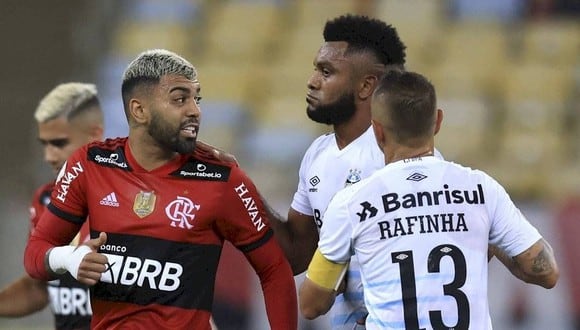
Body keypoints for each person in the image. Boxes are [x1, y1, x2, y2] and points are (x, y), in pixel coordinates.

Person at [23, 49, 297, 330]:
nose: (195, 110)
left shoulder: (221, 178)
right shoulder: (89, 164)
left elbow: (274, 269)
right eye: (180, 99)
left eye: (196, 98)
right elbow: (35, 252)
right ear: (139, 110)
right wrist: (67, 258)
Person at [298, 70, 559, 329]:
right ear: (437, 121)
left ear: (377, 131)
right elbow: (546, 272)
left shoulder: (351, 203)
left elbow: (311, 305)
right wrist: (486, 238)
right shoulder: (481, 189)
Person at [266, 14, 423, 329]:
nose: (312, 81)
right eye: (316, 69)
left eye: (327, 71)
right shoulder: (318, 154)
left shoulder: (401, 156)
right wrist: (238, 185)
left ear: (367, 85)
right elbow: (297, 255)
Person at [0, 82, 103, 330]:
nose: (49, 156)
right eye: (44, 144)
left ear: (94, 135)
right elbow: (39, 286)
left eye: (58, 143)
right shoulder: (45, 199)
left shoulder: (131, 199)